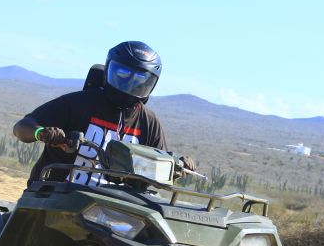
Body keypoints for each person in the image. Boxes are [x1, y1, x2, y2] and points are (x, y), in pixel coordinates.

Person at [13, 40, 194, 186]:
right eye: (122, 74)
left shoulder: (148, 122)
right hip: (56, 198)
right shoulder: (78, 103)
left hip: (115, 209)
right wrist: (42, 133)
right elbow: (21, 128)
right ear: (108, 70)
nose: (130, 84)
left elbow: (159, 168)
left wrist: (178, 166)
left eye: (139, 79)